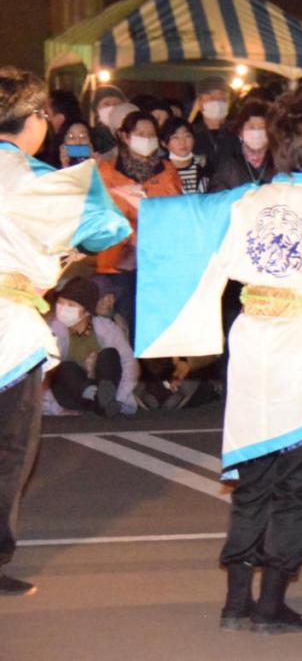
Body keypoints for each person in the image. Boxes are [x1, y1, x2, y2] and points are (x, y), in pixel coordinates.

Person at [132, 87, 302, 632]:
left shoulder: (243, 200)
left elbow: (174, 219)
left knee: (255, 475)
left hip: (255, 344)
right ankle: (271, 602)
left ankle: (236, 599)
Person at [0, 66, 131, 596]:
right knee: (9, 448)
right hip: (9, 325)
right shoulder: (39, 181)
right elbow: (109, 229)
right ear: (35, 121)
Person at [96, 110, 182, 342]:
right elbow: (102, 210)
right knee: (122, 319)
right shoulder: (107, 170)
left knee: (153, 318)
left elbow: (175, 210)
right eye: (140, 133)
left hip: (156, 258)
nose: (146, 138)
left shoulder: (167, 170)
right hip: (117, 260)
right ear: (125, 136)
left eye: (151, 134)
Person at [45, 277, 139, 417]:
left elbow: (128, 363)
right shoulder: (52, 329)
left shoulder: (106, 328)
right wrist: (55, 409)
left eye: (71, 305)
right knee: (65, 368)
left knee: (110, 355)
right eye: (60, 303)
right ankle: (100, 402)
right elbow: (42, 373)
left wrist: (120, 398)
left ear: (87, 311)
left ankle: (104, 402)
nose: (63, 309)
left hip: (105, 387)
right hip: (70, 395)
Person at [208, 100, 275, 192]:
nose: (257, 132)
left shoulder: (280, 162)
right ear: (240, 131)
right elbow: (217, 198)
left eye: (262, 127)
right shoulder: (229, 165)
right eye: (251, 127)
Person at [191, 76, 232, 174]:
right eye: (211, 98)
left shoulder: (238, 133)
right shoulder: (191, 134)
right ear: (199, 103)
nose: (217, 102)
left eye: (222, 98)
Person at [160, 117, 208, 194]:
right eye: (175, 137)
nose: (182, 142)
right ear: (164, 143)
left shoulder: (205, 164)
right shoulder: (159, 168)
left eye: (187, 136)